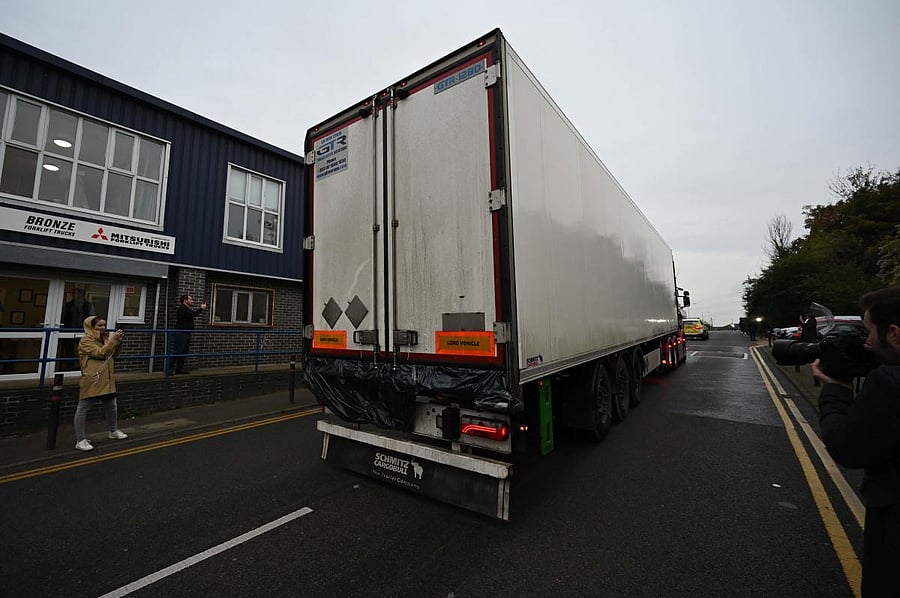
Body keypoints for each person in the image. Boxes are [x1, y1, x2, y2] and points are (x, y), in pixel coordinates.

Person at [812, 287, 900, 597]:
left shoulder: (888, 382)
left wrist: (836, 390)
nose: (867, 342)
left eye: (869, 332)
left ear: (894, 334)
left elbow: (847, 447)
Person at [74, 316, 127, 451]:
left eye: (104, 325)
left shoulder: (105, 339)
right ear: (91, 327)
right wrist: (113, 341)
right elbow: (100, 353)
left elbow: (113, 356)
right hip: (93, 379)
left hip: (107, 379)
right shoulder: (85, 341)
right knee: (83, 408)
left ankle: (113, 431)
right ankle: (80, 440)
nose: (103, 328)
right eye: (99, 326)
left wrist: (118, 343)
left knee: (112, 406)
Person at [172, 294, 207, 374]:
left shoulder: (187, 309)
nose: (192, 301)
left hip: (186, 332)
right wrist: (201, 309)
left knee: (184, 351)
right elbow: (193, 315)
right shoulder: (182, 309)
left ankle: (179, 369)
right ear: (185, 300)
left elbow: (192, 315)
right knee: (178, 351)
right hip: (181, 333)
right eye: (190, 299)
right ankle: (170, 369)